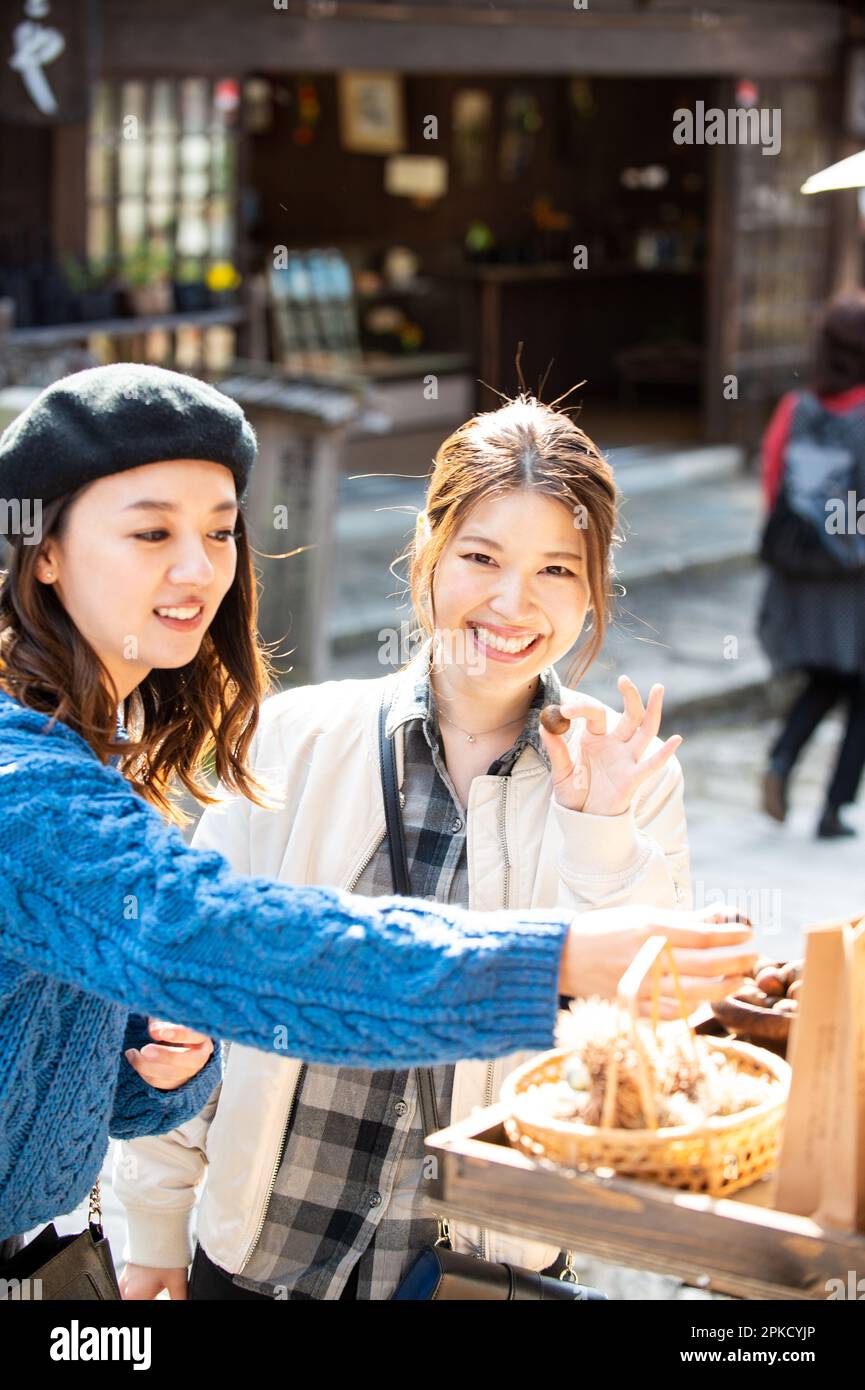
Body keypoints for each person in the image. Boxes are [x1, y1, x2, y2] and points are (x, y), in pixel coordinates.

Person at [0, 364, 753, 1262]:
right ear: (43, 550)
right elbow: (219, 939)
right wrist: (552, 961)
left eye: (219, 531)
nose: (197, 568)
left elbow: (115, 1038)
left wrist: (165, 1058)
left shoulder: (99, 754)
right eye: (151, 531)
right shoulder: (31, 778)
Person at [758, 294, 865, 838]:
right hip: (855, 579)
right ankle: (833, 809)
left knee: (826, 676)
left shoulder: (795, 407)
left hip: (800, 571)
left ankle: (780, 761)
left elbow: (773, 482)